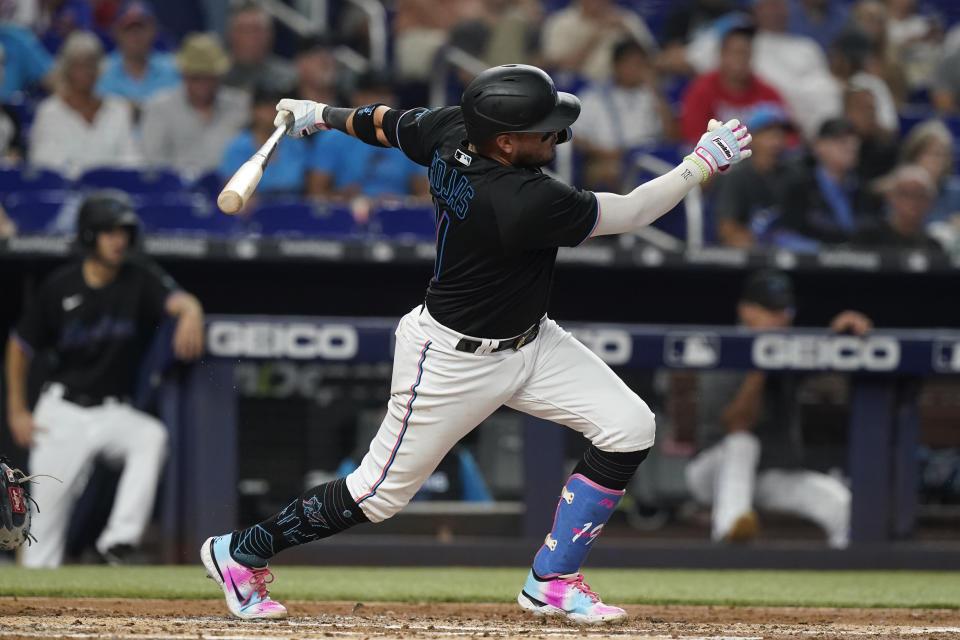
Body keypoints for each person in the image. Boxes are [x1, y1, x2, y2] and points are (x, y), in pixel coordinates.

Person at [199, 63, 752, 622]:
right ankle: (238, 553)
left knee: (630, 426)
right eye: (544, 130)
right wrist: (701, 163)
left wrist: (322, 116)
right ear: (505, 142)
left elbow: (386, 123)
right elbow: (632, 212)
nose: (558, 136)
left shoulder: (452, 129)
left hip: (531, 343)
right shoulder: (520, 200)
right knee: (377, 495)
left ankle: (552, 580)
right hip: (449, 360)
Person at [5, 190, 205, 567]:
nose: (119, 240)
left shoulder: (138, 278)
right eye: (109, 232)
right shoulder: (60, 286)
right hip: (61, 414)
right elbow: (19, 346)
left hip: (113, 412)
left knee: (150, 436)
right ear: (88, 235)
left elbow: (179, 300)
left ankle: (119, 540)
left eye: (123, 232)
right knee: (38, 549)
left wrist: (192, 311)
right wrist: (17, 409)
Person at [684, 269, 864, 548]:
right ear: (745, 310)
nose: (780, 317)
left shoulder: (789, 347)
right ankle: (728, 539)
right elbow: (736, 425)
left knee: (841, 503)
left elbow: (825, 357)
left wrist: (842, 332)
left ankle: (849, 580)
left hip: (769, 476)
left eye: (785, 309)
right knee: (743, 444)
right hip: (712, 473)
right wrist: (760, 367)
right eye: (770, 309)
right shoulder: (725, 348)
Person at [28, 31, 141, 179]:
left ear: (100, 68)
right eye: (77, 65)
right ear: (66, 69)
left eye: (90, 64)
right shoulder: (49, 112)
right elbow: (45, 165)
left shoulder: (118, 109)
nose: (84, 71)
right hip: (67, 196)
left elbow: (131, 161)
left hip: (114, 193)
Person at [306, 73, 429, 200]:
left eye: (387, 94)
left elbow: (426, 196)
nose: (383, 102)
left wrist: (401, 202)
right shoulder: (332, 137)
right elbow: (315, 194)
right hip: (344, 215)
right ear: (357, 98)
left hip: (397, 215)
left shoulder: (407, 137)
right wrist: (340, 198)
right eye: (375, 94)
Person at [141, 33, 249, 179]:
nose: (203, 83)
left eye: (209, 76)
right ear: (184, 74)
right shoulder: (159, 108)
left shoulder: (240, 106)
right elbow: (153, 163)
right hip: (175, 194)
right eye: (196, 76)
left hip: (231, 189)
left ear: (220, 75)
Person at [576, 39, 676, 190]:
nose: (636, 69)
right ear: (616, 66)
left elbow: (671, 134)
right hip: (606, 160)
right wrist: (602, 152)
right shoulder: (594, 96)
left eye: (641, 64)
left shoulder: (650, 95)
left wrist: (655, 90)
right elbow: (574, 135)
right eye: (630, 64)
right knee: (614, 172)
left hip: (646, 158)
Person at [679, 19, 787, 143]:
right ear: (722, 55)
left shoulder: (766, 92)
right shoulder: (702, 91)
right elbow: (692, 138)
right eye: (736, 53)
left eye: (745, 53)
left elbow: (789, 137)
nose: (741, 59)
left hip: (756, 160)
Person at [774, 117, 870, 249]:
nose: (851, 146)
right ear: (819, 146)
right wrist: (824, 251)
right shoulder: (797, 186)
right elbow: (783, 235)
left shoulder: (862, 189)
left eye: (854, 141)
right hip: (808, 265)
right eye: (841, 141)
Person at [712, 104, 793, 247]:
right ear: (752, 137)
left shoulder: (791, 173)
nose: (777, 140)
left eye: (781, 133)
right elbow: (728, 230)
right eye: (769, 133)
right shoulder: (736, 176)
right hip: (751, 255)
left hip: (788, 247)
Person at [220, 84, 311, 200]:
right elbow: (232, 194)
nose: (271, 112)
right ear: (254, 110)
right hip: (254, 212)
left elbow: (310, 188)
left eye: (276, 107)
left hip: (293, 208)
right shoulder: (238, 148)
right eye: (265, 106)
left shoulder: (297, 144)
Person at [541, 0, 658, 83]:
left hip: (622, 88)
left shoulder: (626, 19)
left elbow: (652, 61)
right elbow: (564, 66)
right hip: (578, 88)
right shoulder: (560, 22)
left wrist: (627, 33)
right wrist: (594, 38)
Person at [96, 2, 181, 107]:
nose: (135, 35)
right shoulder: (101, 70)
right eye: (128, 29)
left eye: (141, 28)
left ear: (153, 30)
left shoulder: (173, 68)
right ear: (116, 32)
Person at [853, 164, 944, 252]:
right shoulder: (867, 238)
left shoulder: (934, 247)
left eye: (920, 196)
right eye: (906, 194)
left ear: (930, 203)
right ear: (892, 197)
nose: (913, 202)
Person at [221, 2, 297, 93]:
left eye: (258, 30)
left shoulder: (288, 79)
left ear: (271, 35)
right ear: (231, 35)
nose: (253, 37)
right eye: (246, 30)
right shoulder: (214, 76)